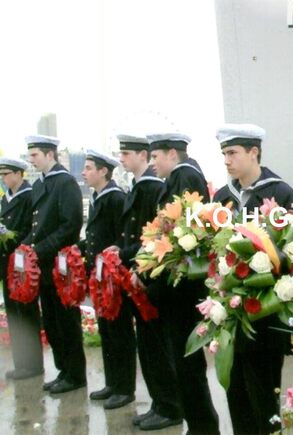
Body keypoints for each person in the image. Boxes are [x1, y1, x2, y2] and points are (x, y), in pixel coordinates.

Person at [213, 124, 293, 434]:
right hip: (230, 312)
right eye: (224, 154)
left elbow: (290, 252)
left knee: (263, 397)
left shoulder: (281, 193)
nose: (227, 160)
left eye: (232, 153)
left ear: (254, 152)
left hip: (264, 313)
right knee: (236, 394)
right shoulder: (222, 197)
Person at [147, 133, 219, 434]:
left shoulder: (184, 176)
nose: (152, 163)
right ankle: (199, 426)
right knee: (183, 364)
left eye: (155, 156)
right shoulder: (179, 177)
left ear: (172, 154)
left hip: (182, 290)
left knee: (187, 365)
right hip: (179, 287)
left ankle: (203, 427)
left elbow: (183, 231)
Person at [110, 134, 183, 429]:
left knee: (157, 347)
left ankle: (169, 406)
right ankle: (159, 403)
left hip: (150, 276)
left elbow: (153, 237)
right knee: (148, 347)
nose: (122, 159)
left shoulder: (152, 188)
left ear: (142, 156)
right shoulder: (139, 186)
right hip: (138, 274)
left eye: (127, 154)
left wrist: (128, 256)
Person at [22, 134, 86, 394]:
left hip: (61, 265)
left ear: (50, 154)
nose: (31, 159)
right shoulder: (40, 184)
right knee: (51, 321)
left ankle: (75, 374)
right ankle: (63, 370)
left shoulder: (65, 182)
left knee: (66, 321)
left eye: (35, 154)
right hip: (42, 265)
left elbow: (71, 225)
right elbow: (36, 225)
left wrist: (39, 249)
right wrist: (25, 248)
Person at [78, 150, 135, 409]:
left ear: (103, 171)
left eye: (89, 168)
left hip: (113, 277)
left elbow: (121, 237)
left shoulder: (115, 198)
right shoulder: (97, 197)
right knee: (107, 331)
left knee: (120, 332)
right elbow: (94, 235)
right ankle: (112, 383)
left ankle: (124, 388)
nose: (84, 172)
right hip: (99, 277)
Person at [0, 157, 43, 380]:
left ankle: (32, 365)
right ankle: (21, 364)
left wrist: (16, 241)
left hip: (21, 262)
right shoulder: (5, 198)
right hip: (6, 262)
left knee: (26, 313)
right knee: (14, 313)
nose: (3, 178)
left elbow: (32, 229)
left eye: (6, 174)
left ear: (18, 173)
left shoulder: (28, 196)